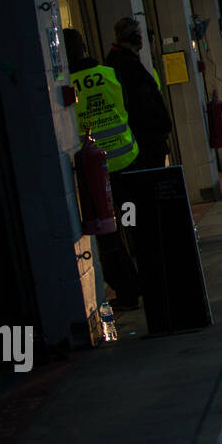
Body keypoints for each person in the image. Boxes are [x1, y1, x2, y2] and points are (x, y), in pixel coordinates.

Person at [66, 27, 145, 310]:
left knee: (109, 235)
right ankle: (152, 281)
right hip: (127, 159)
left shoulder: (66, 85)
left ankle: (127, 291)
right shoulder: (109, 73)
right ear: (85, 48)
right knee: (135, 224)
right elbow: (131, 108)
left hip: (97, 171)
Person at [105, 17, 172, 170]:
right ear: (134, 38)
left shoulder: (116, 62)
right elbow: (145, 104)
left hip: (139, 140)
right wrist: (163, 125)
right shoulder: (129, 65)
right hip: (146, 140)